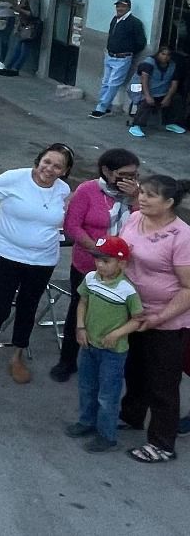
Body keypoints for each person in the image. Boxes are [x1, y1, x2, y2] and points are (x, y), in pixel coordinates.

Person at [0, 144, 74, 385]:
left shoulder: (63, 189)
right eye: (47, 161)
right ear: (39, 160)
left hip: (43, 260)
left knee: (28, 307)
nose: (49, 168)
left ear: (65, 171)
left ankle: (17, 356)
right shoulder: (14, 178)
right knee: (1, 306)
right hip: (7, 254)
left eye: (57, 166)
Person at [116, 175, 190, 464]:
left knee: (163, 383)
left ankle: (162, 444)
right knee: (134, 370)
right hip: (134, 311)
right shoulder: (135, 219)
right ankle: (131, 415)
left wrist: (159, 317)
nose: (142, 198)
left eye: (150, 195)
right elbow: (122, 254)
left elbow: (188, 287)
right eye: (142, 193)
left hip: (167, 320)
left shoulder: (182, 236)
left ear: (169, 203)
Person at [52, 148, 141, 382]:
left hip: (124, 267)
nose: (130, 179)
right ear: (106, 171)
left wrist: (135, 199)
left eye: (133, 174)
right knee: (79, 308)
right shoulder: (88, 191)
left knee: (119, 312)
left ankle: (111, 361)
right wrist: (98, 251)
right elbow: (72, 225)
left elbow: (145, 222)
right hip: (88, 263)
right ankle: (67, 360)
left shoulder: (138, 196)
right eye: (123, 174)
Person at [63, 236, 143, 453]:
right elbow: (83, 301)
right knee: (86, 387)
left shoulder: (127, 290)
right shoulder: (90, 278)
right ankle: (86, 422)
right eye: (97, 259)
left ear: (122, 263)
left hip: (113, 352)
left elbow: (137, 319)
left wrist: (117, 333)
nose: (99, 265)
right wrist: (80, 327)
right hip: (89, 344)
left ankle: (107, 435)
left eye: (106, 261)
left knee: (107, 394)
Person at [93, 0, 147, 118]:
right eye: (118, 6)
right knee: (105, 82)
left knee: (113, 83)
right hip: (110, 56)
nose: (119, 8)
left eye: (122, 6)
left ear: (128, 7)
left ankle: (100, 108)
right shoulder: (115, 20)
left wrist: (128, 51)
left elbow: (141, 42)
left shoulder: (134, 23)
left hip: (122, 58)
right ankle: (105, 106)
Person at [130, 47, 185, 138]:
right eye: (163, 54)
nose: (165, 57)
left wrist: (168, 97)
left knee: (176, 99)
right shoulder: (149, 63)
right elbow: (144, 79)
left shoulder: (173, 66)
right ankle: (136, 125)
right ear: (158, 54)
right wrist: (148, 96)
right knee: (146, 102)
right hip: (141, 89)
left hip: (160, 91)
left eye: (168, 55)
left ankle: (170, 123)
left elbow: (174, 84)